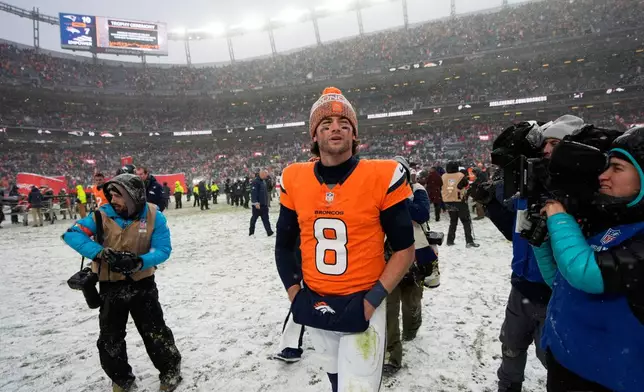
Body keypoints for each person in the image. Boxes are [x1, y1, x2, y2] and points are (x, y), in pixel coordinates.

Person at [275, 87, 415, 392]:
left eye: (343, 123)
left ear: (354, 135)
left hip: (363, 299)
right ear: (314, 136)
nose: (335, 128)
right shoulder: (295, 178)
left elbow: (405, 249)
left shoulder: (381, 175)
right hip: (315, 301)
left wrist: (371, 302)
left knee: (358, 387)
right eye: (325, 124)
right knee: (337, 380)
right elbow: (283, 246)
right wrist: (295, 295)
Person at [532, 126, 644, 392]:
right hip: (567, 364)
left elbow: (588, 275)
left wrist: (559, 219)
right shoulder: (608, 220)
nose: (603, 176)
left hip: (610, 379)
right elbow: (561, 281)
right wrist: (540, 242)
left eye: (616, 169)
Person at [475, 115, 580, 392]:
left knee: (554, 360)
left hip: (555, 293)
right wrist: (491, 204)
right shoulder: (528, 185)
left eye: (555, 144)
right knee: (511, 347)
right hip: (520, 287)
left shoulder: (578, 192)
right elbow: (517, 233)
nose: (546, 151)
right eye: (545, 144)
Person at [62, 174, 182, 392]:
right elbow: (72, 234)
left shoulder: (154, 215)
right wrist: (101, 253)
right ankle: (121, 379)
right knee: (110, 338)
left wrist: (140, 261)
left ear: (133, 196)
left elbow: (163, 250)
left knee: (155, 332)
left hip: (143, 282)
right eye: (112, 194)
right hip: (110, 285)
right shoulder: (100, 215)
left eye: (119, 195)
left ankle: (170, 370)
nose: (113, 199)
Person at [384, 157, 436, 376]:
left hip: (416, 259)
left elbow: (421, 214)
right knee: (389, 310)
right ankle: (392, 356)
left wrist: (398, 200)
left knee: (411, 304)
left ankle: (412, 330)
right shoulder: (380, 194)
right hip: (388, 259)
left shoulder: (417, 190)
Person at [442, 161, 479, 247]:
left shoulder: (443, 176)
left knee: (453, 222)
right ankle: (469, 241)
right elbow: (465, 185)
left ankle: (450, 241)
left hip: (448, 201)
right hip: (460, 201)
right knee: (466, 221)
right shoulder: (460, 176)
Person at [249, 170, 273, 236]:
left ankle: (269, 232)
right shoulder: (255, 182)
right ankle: (251, 232)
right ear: (262, 174)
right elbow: (254, 193)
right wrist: (255, 202)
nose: (267, 176)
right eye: (266, 175)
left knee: (266, 219)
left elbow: (267, 191)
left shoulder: (264, 181)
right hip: (257, 205)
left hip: (264, 205)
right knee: (254, 219)